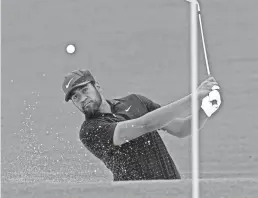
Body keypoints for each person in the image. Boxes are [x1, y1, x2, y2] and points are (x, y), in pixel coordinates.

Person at [62, 69, 222, 181]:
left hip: (173, 188)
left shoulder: (135, 101)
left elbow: (182, 129)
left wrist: (206, 110)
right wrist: (192, 98)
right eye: (75, 97)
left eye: (84, 90)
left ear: (97, 87)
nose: (82, 98)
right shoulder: (90, 131)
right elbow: (144, 125)